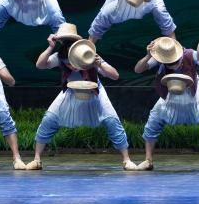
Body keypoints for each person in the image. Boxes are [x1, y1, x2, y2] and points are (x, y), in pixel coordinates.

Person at [26, 24, 138, 170]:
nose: (73, 66)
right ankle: (37, 159)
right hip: (71, 91)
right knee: (49, 119)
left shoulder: (88, 54)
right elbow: (40, 65)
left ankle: (126, 160)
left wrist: (100, 64)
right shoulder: (60, 55)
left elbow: (115, 76)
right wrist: (50, 47)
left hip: (94, 91)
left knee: (111, 120)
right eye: (64, 41)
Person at [133, 37, 199, 171]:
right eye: (168, 62)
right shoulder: (160, 56)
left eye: (174, 61)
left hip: (193, 94)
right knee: (154, 120)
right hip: (170, 94)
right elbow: (138, 70)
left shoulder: (191, 54)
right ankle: (148, 160)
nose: (171, 64)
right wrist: (148, 56)